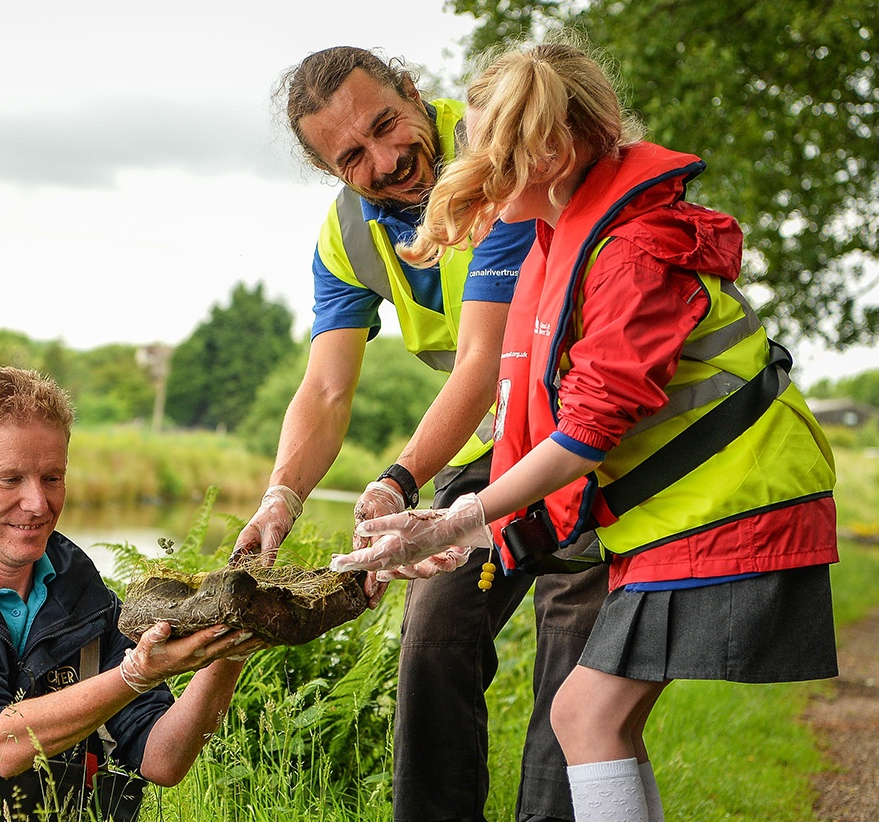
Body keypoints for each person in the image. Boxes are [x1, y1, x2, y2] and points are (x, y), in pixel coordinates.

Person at [332, 37, 840, 822]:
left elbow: (585, 434)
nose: (469, 174)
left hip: (730, 512)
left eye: (489, 155)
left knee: (585, 715)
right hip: (681, 515)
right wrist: (455, 530)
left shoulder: (633, 251)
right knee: (591, 717)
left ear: (552, 152)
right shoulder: (565, 236)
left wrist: (462, 514)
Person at [231, 46, 609, 822]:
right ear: (331, 173)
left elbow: (479, 362)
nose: (386, 158)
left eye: (385, 123)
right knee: (434, 635)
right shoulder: (345, 234)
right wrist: (281, 496)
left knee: (570, 665)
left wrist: (395, 481)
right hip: (488, 447)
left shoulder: (499, 153)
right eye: (352, 156)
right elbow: (327, 386)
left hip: (585, 439)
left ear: (412, 91)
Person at [0, 365, 264, 820]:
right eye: (9, 480)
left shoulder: (90, 604)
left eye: (51, 478)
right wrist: (135, 674)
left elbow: (162, 759)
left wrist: (232, 639)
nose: (38, 504)